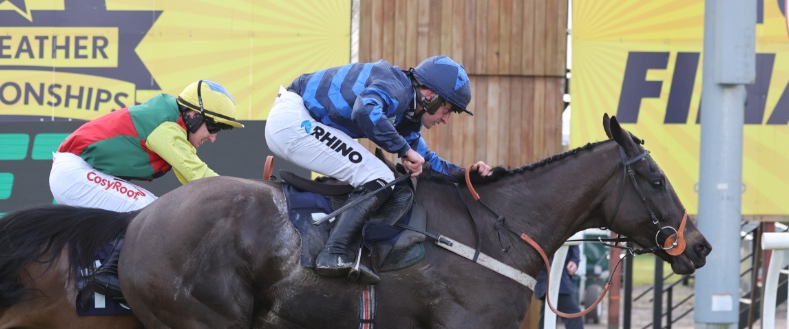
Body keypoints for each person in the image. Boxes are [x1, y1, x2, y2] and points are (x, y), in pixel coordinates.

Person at [265, 55, 492, 284]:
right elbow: (364, 110)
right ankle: (333, 253)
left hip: (300, 119)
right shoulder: (396, 86)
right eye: (447, 109)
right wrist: (403, 150)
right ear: (430, 96)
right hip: (293, 120)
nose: (446, 120)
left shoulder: (408, 112)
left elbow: (425, 159)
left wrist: (464, 174)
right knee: (378, 175)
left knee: (377, 173)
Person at [49, 79, 243, 213]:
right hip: (74, 173)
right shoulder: (166, 128)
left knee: (151, 210)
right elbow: (198, 174)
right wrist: (246, 194)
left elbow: (194, 182)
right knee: (151, 211)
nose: (213, 137)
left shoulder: (171, 122)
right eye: (213, 126)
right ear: (193, 115)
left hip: (76, 173)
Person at [533, 244, 608, 329]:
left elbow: (573, 241)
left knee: (546, 325)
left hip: (557, 279)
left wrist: (574, 260)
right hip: (553, 279)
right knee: (573, 317)